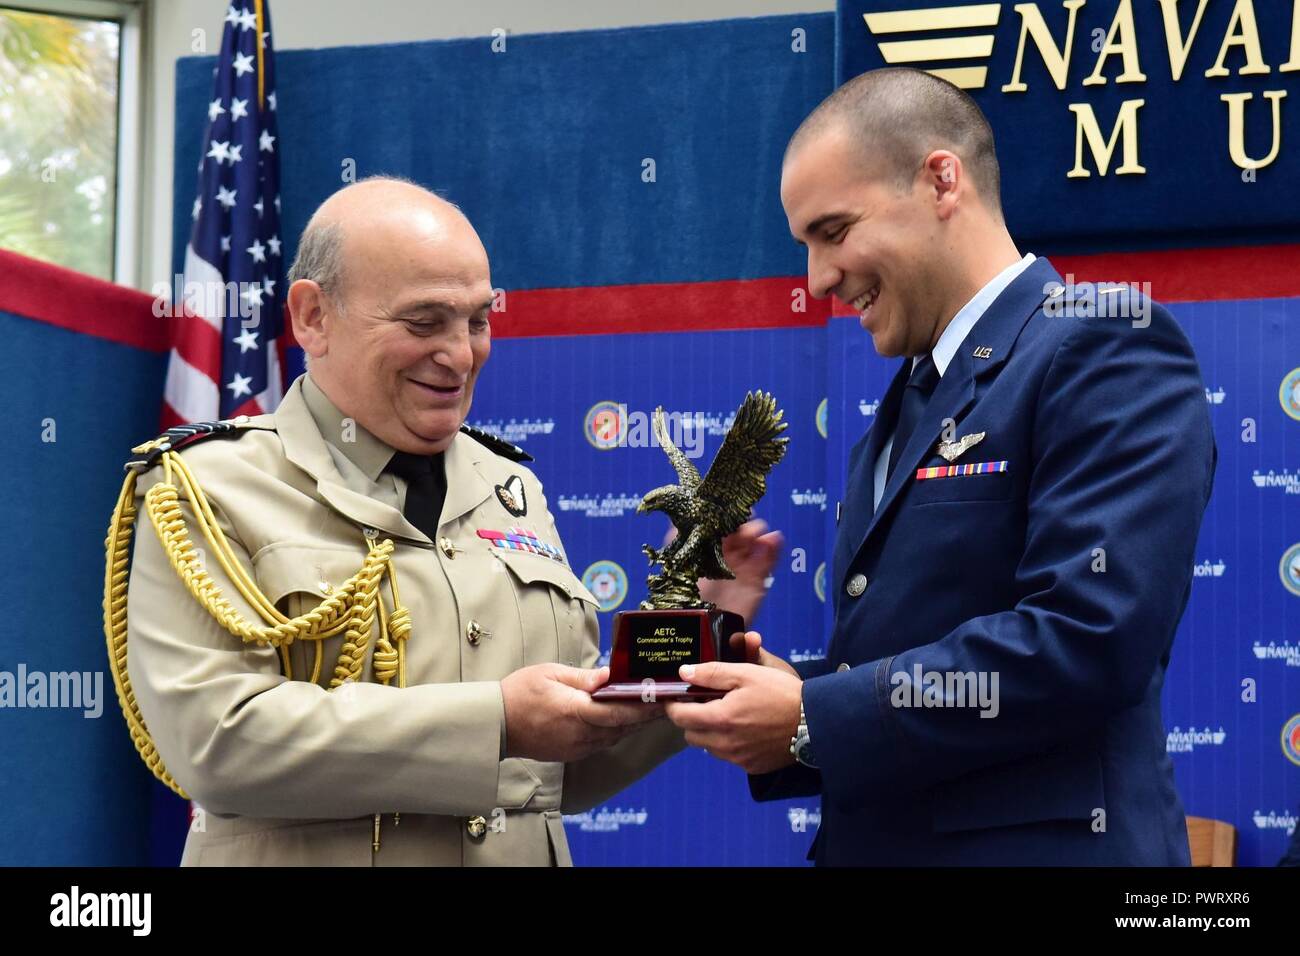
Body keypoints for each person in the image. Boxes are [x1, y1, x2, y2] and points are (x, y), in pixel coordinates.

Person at [118, 177, 774, 865]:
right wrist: (496, 721)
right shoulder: (206, 487)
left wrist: (694, 628)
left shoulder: (510, 485)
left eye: (478, 320)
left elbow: (562, 768)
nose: (461, 355)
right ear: (313, 316)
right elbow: (217, 743)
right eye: (424, 321)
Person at [663, 68, 1216, 866]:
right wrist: (780, 690)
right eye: (805, 245)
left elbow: (1088, 639)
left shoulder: (1104, 343)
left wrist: (815, 714)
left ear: (940, 181)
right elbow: (916, 656)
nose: (817, 279)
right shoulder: (912, 396)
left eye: (834, 230)